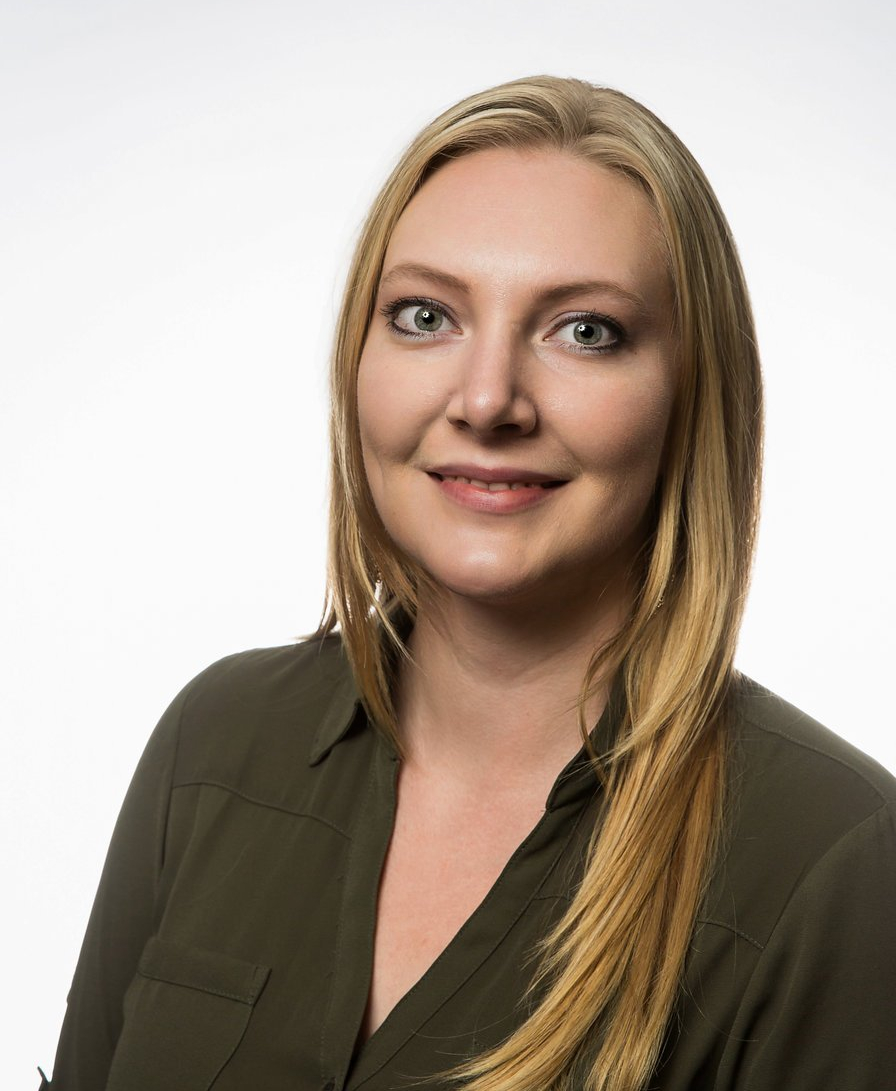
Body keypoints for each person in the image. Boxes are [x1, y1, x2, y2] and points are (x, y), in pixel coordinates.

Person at [43, 75, 896, 1091]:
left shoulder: (836, 858)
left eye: (584, 330)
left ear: (692, 392)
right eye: (425, 315)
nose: (487, 399)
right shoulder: (217, 739)